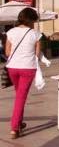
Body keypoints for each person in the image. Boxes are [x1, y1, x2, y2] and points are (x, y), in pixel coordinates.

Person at [4, 8, 41, 139]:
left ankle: (19, 122)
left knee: (19, 94)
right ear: (31, 20)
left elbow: (7, 52)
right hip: (28, 68)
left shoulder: (11, 32)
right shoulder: (35, 34)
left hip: (12, 68)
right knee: (20, 97)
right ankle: (14, 128)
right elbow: (37, 54)